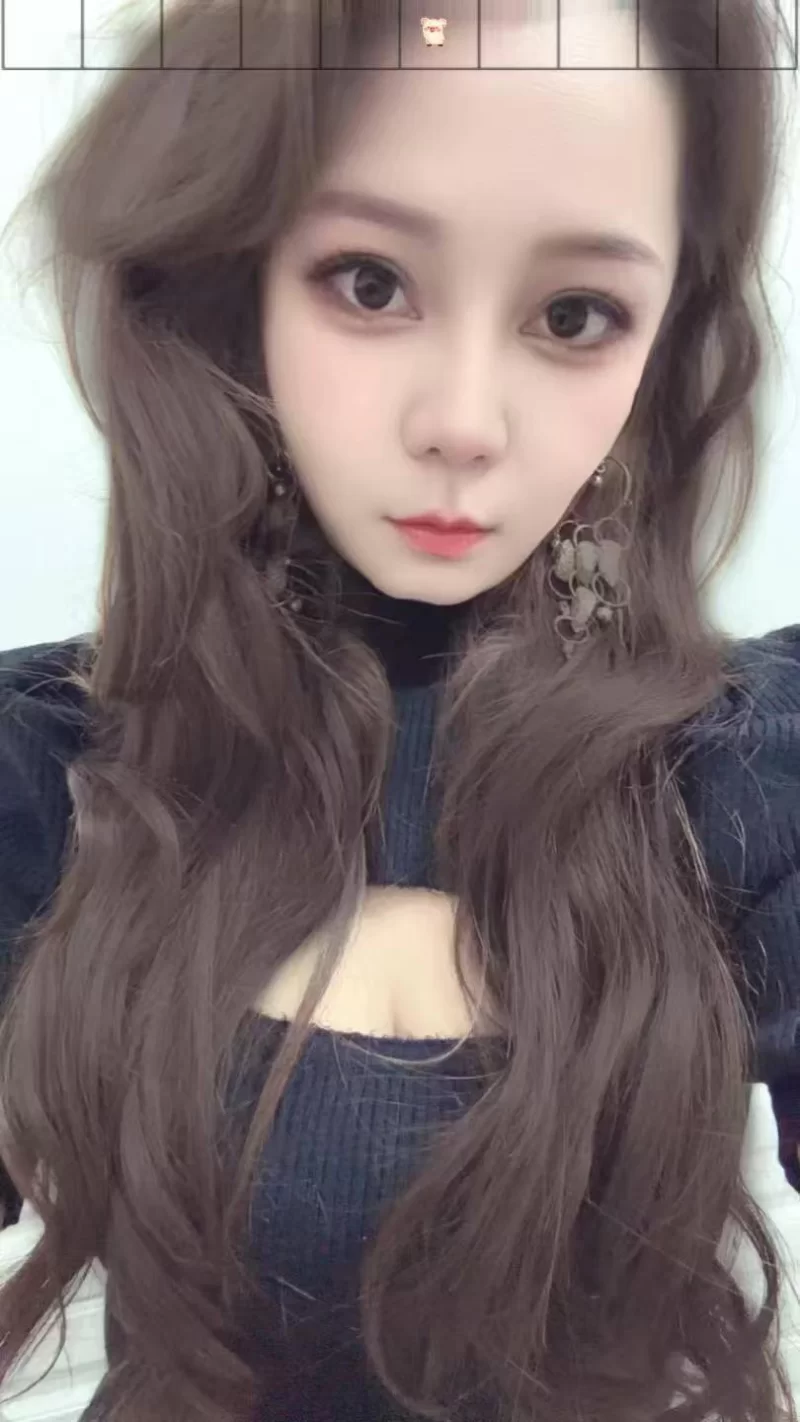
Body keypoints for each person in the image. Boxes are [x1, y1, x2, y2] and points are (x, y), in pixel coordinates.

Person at [0, 0, 798, 1418]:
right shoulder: (54, 770)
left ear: (665, 336)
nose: (465, 422)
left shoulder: (742, 773)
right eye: (369, 283)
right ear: (227, 281)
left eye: (574, 315)